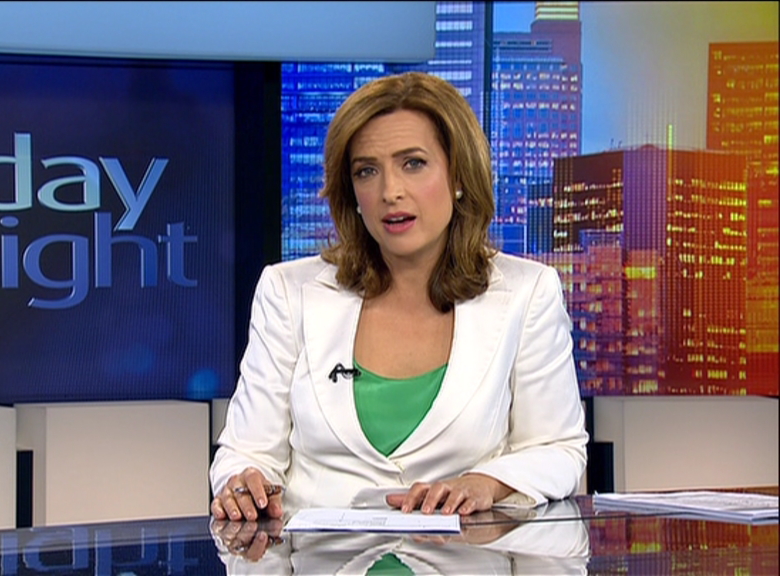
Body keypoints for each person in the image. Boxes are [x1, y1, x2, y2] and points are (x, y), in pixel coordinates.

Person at [209, 71, 588, 523]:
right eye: (367, 171)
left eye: (413, 163)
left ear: (459, 175)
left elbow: (558, 449)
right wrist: (243, 483)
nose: (390, 191)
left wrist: (486, 484)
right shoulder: (288, 292)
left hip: (461, 554)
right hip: (322, 555)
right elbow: (245, 452)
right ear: (352, 192)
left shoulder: (528, 292)